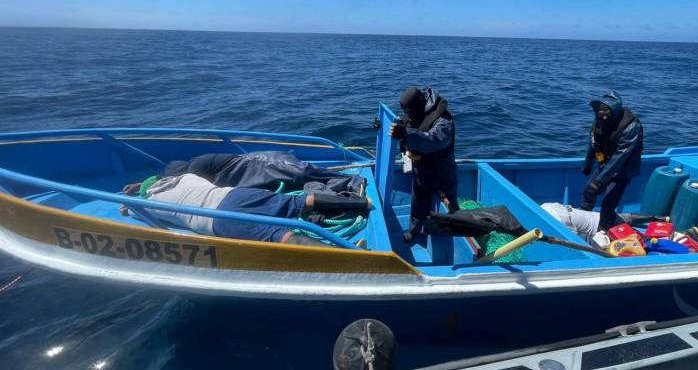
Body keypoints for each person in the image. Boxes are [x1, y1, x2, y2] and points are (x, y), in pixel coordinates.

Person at [121, 173, 371, 247]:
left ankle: (355, 255)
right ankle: (361, 203)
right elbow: (159, 178)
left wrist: (129, 207)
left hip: (220, 220)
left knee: (277, 236)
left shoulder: (151, 202)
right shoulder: (185, 177)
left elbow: (134, 210)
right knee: (298, 203)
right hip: (234, 194)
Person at [389, 86, 458, 243]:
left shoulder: (443, 120)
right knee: (418, 202)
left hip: (443, 171)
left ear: (420, 104)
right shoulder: (415, 113)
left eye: (411, 112)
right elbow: (403, 124)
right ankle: (415, 230)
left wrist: (407, 134)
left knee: (450, 208)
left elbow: (434, 140)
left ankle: (455, 238)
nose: (409, 117)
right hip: (421, 168)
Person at [164, 151, 365, 195]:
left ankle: (352, 181)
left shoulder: (195, 167)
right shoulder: (193, 165)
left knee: (302, 172)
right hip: (252, 172)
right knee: (296, 181)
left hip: (262, 165)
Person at [580, 91, 644, 230]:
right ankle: (583, 221)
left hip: (623, 169)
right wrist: (588, 163)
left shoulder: (631, 126)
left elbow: (621, 156)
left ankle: (604, 231)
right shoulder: (599, 121)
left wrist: (599, 181)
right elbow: (594, 143)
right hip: (606, 162)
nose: (602, 116)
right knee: (588, 192)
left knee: (608, 205)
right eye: (599, 112)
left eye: (606, 112)